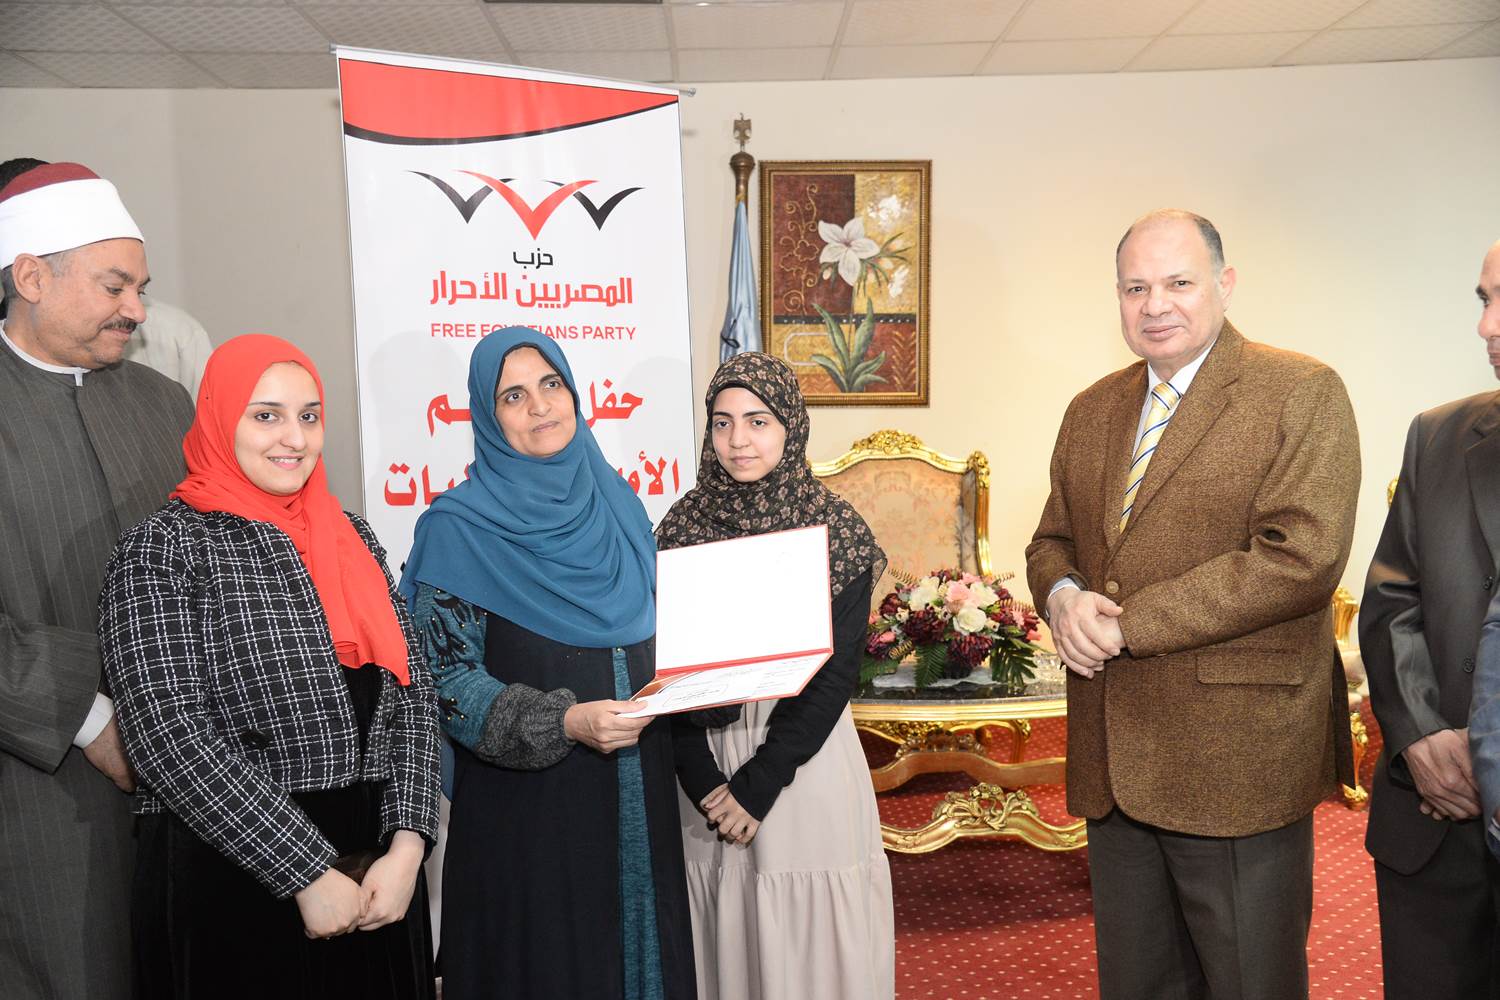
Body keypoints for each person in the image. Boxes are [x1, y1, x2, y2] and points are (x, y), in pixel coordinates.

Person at [1026, 209, 1359, 1000]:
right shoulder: (1091, 408)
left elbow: (1300, 556)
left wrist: (1127, 626)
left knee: (1248, 981)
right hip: (1114, 753)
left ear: (1225, 283)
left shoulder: (1300, 391)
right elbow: (1051, 541)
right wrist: (1063, 597)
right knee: (1138, 983)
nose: (1156, 305)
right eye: (1135, 287)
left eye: (1178, 282)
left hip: (1234, 758)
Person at [97, 334, 441, 998]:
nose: (295, 437)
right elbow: (167, 735)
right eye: (266, 415)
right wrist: (304, 872)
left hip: (377, 877)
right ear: (221, 420)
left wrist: (408, 847)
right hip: (234, 876)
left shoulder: (352, 535)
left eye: (309, 415)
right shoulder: (163, 548)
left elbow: (413, 695)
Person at [399, 327, 695, 1000]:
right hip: (527, 819)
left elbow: (660, 638)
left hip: (639, 797)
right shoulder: (457, 529)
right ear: (487, 416)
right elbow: (445, 683)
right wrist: (562, 722)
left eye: (551, 384)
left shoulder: (618, 504)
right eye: (513, 396)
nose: (540, 406)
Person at [0, 158, 194, 999]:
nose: (137, 312)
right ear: (31, 277)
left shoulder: (163, 403)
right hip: (36, 795)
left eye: (141, 289)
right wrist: (90, 718)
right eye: (115, 287)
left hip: (187, 785)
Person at [660, 352, 895, 1000]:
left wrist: (759, 783)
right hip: (705, 764)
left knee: (807, 939)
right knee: (725, 930)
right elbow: (666, 666)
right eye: (723, 422)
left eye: (758, 421)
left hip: (801, 759)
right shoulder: (680, 528)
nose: (738, 440)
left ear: (791, 425)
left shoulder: (837, 530)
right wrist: (705, 781)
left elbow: (834, 675)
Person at [1390, 238, 1500, 998]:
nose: (1487, 326)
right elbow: (1392, 599)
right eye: (1484, 300)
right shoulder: (1438, 435)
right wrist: (1422, 734)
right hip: (1439, 824)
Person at [127, 296, 213, 397]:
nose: (140, 316)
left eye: (140, 291)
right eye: (115, 290)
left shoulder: (181, 329)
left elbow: (202, 401)